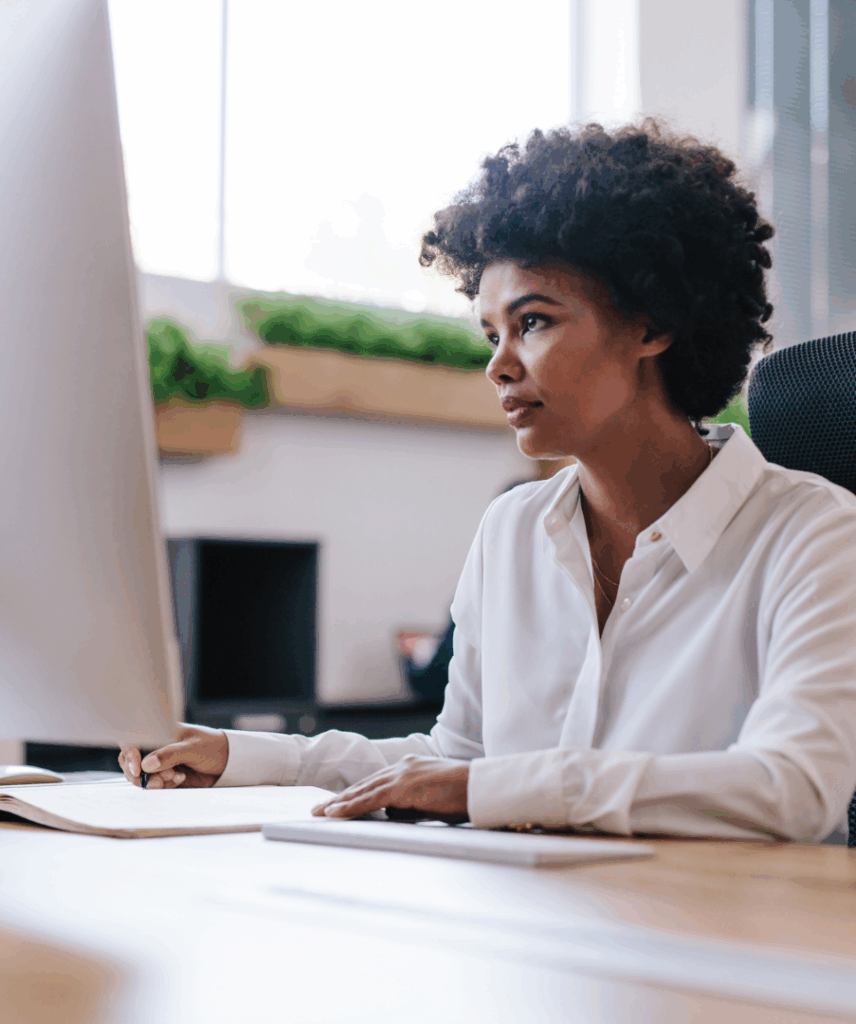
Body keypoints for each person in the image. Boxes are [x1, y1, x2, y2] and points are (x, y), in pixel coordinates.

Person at [121, 122, 856, 842]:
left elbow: (793, 789)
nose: (499, 365)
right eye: (490, 334)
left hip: (733, 943)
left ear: (651, 324)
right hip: (539, 933)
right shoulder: (512, 532)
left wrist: (503, 788)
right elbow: (459, 763)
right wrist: (248, 757)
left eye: (532, 322)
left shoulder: (816, 535)